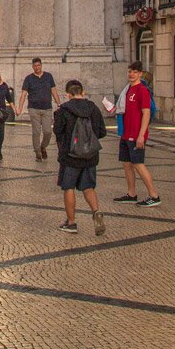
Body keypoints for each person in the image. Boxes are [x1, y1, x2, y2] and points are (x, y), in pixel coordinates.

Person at [53, 79, 107, 235]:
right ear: (83, 92)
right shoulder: (93, 108)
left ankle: (71, 223)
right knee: (88, 187)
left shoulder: (64, 110)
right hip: (90, 156)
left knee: (68, 188)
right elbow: (102, 132)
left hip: (70, 156)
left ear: (68, 94)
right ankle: (96, 211)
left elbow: (58, 131)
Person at [114, 61, 161, 207]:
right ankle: (131, 194)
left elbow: (146, 113)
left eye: (135, 72)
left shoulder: (142, 90)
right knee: (127, 164)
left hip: (136, 134)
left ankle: (154, 195)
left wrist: (141, 135)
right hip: (126, 133)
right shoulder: (128, 90)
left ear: (140, 74)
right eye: (130, 71)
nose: (131, 74)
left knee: (138, 164)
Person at [16, 57, 60, 162]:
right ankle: (37, 152)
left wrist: (59, 104)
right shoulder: (28, 78)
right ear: (32, 67)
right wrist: (19, 108)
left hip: (47, 108)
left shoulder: (48, 76)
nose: (37, 67)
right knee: (36, 131)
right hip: (33, 108)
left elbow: (53, 91)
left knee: (48, 131)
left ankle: (43, 146)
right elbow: (23, 94)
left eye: (38, 65)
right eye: (35, 66)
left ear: (41, 65)